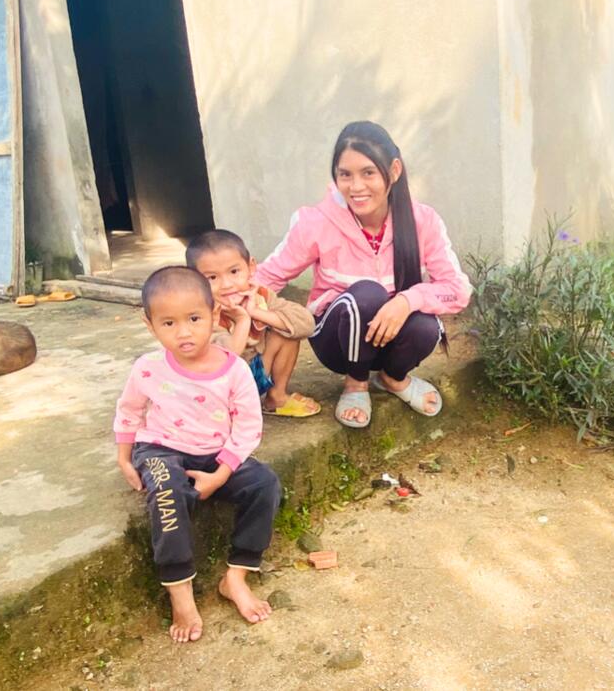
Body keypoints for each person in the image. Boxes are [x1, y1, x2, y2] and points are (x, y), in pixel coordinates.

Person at [255, 121, 470, 428]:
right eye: (345, 174)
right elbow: (269, 276)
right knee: (367, 294)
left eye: (368, 172)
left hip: (389, 340)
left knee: (426, 327)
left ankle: (393, 378)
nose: (355, 187)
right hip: (338, 343)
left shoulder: (423, 221)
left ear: (393, 171)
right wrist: (217, 305)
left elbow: (458, 290)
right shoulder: (315, 222)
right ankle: (356, 384)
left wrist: (407, 300)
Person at [113, 266, 281, 642]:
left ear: (214, 316)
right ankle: (180, 592)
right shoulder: (148, 368)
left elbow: (248, 427)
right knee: (168, 491)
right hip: (160, 448)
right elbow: (129, 411)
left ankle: (235, 577)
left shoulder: (234, 370)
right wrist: (125, 458)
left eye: (193, 319)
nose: (184, 332)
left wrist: (222, 473)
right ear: (149, 324)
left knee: (265, 484)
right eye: (168, 323)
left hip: (215, 455)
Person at [186, 228, 321, 418]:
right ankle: (230, 413)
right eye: (212, 278)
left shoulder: (260, 296)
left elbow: (306, 324)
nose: (226, 284)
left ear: (250, 268)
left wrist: (256, 312)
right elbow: (226, 358)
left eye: (234, 271)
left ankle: (276, 397)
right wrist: (242, 320)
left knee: (286, 327)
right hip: (217, 391)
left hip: (251, 376)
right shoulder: (198, 314)